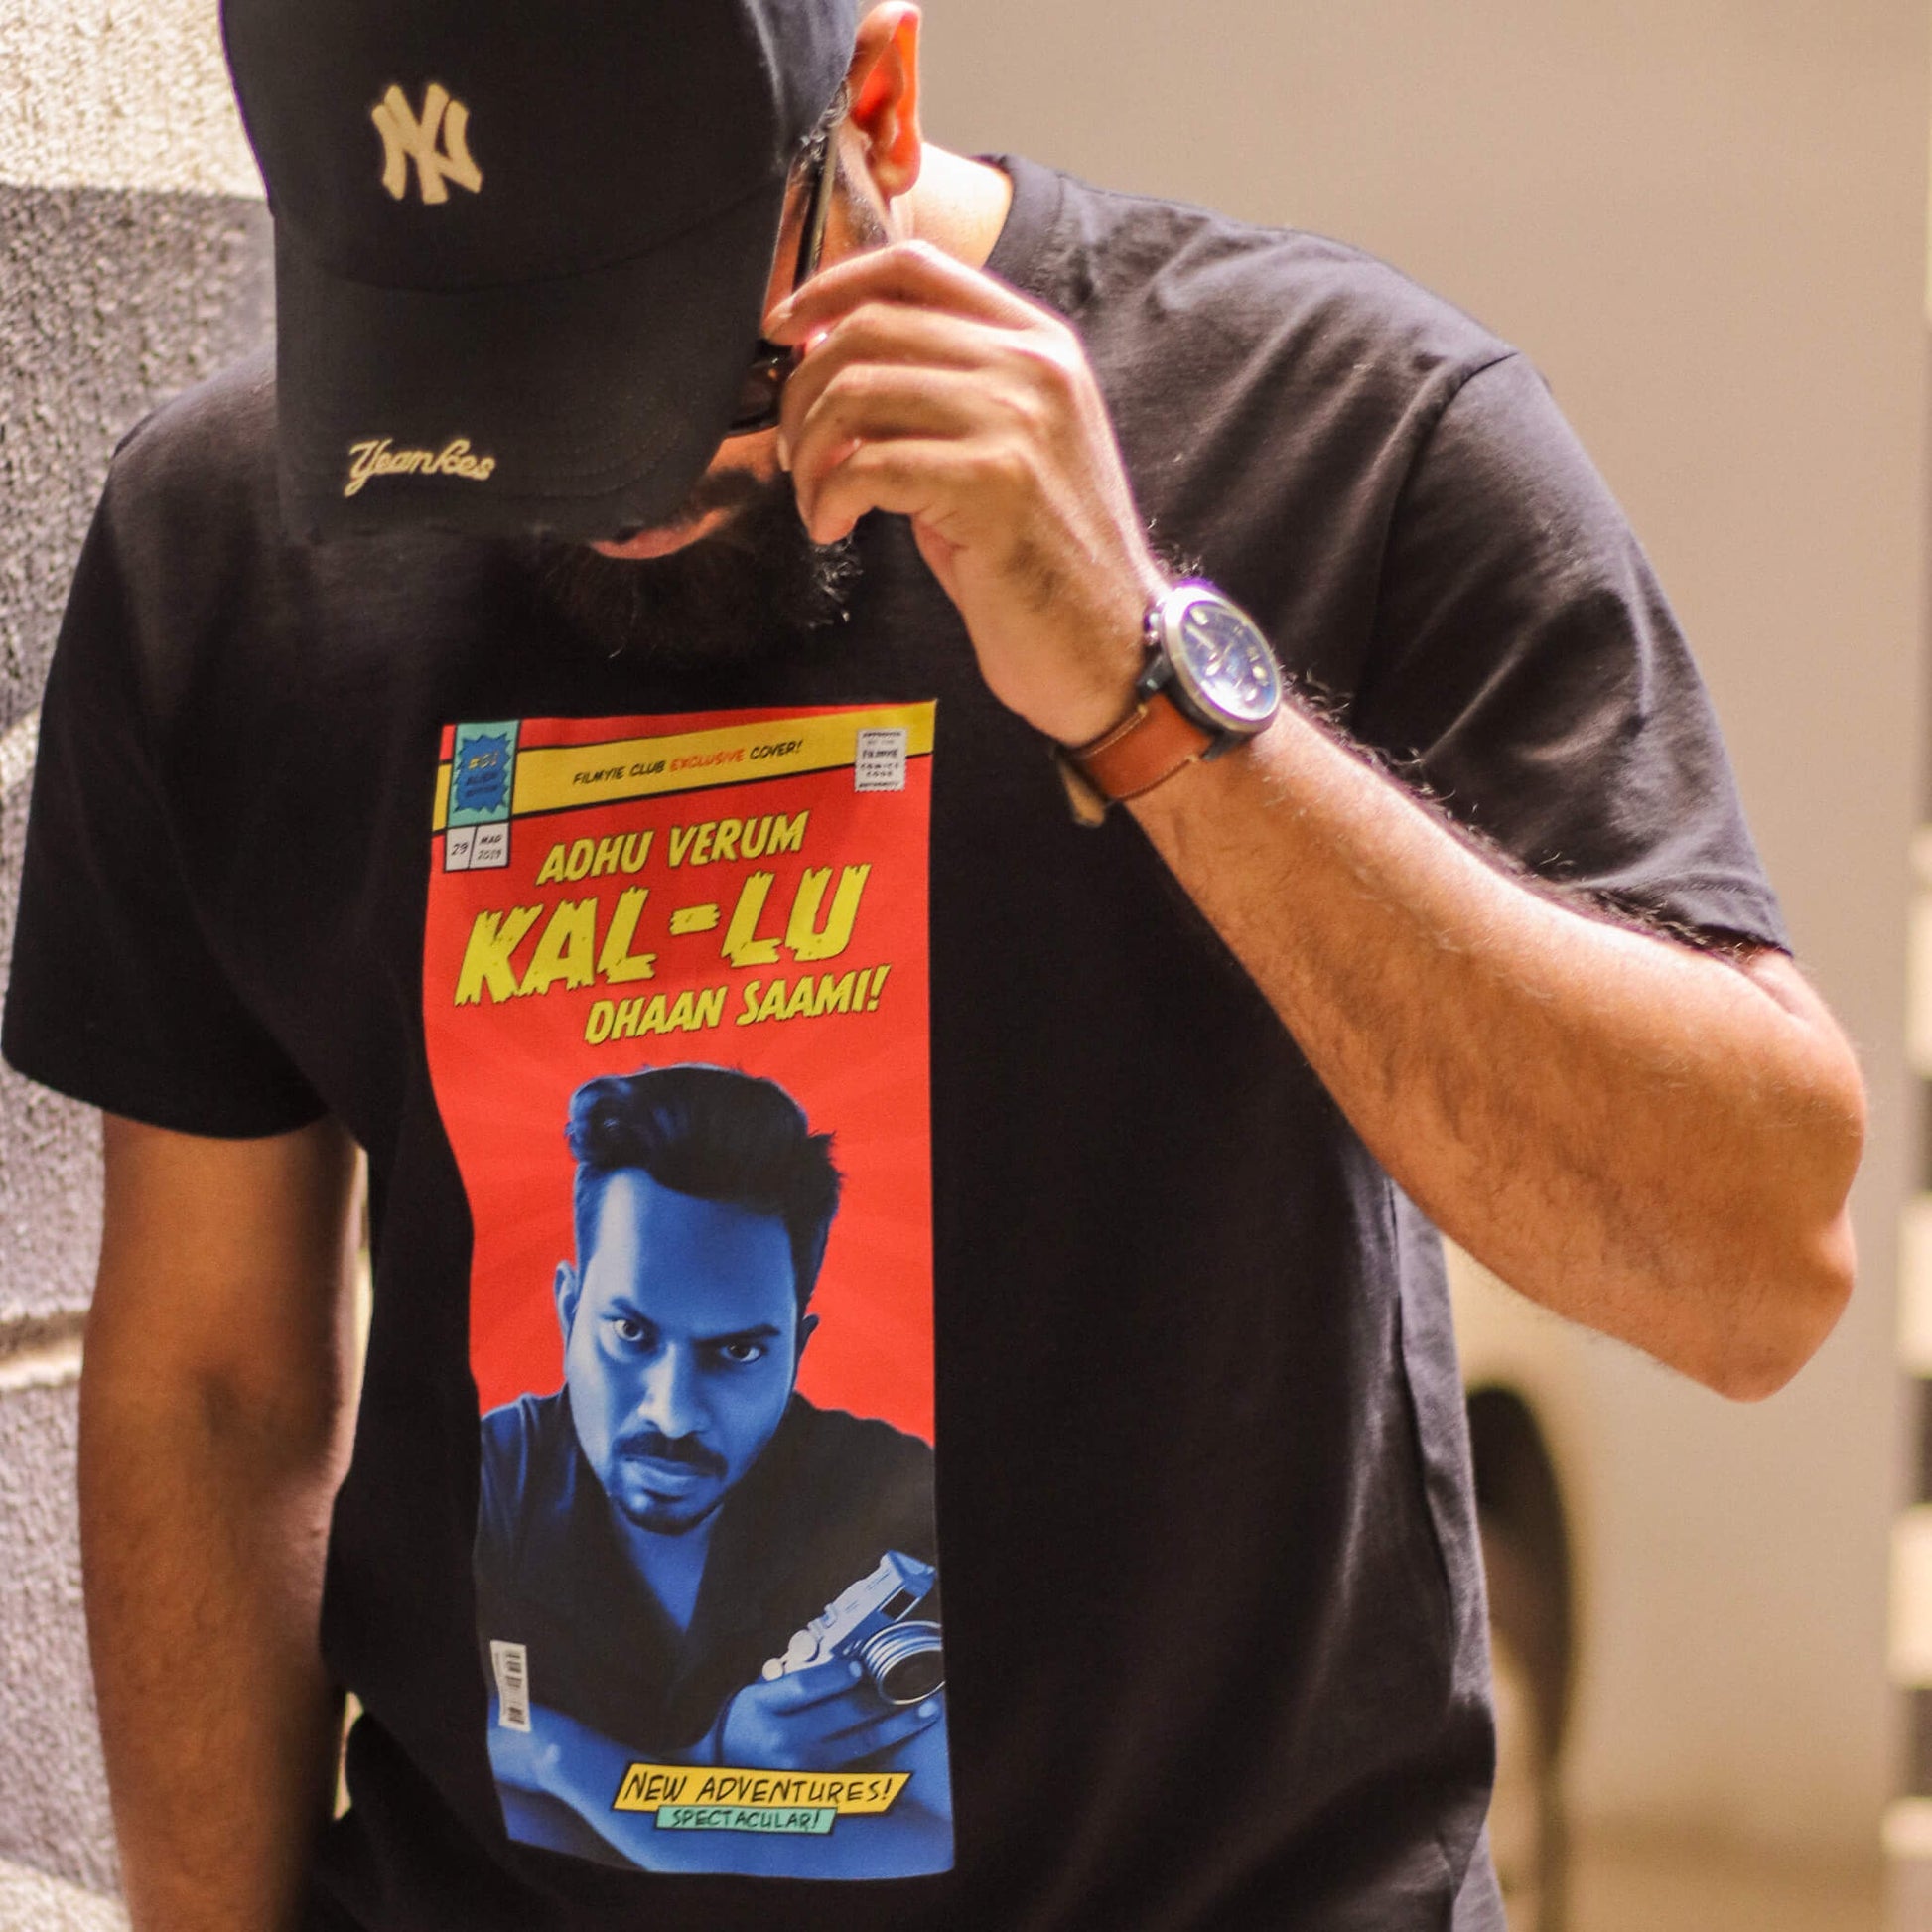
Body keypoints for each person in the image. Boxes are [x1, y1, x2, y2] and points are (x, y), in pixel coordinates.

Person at [0, 0, 1865, 1926]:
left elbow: (1755, 1272)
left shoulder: (1345, 430)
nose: (611, 491)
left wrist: (1155, 696)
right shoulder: (228, 549)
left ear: (877, 105)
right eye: (488, 379)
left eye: (674, 356)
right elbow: (214, 1384)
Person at [476, 1064, 950, 1877]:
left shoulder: (894, 1491)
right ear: (569, 1310)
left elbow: (931, 1838)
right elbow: (463, 1776)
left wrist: (567, 1765)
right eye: (630, 1334)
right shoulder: (490, 1477)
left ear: (797, 1350)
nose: (672, 1413)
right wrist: (712, 1768)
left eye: (736, 1352)